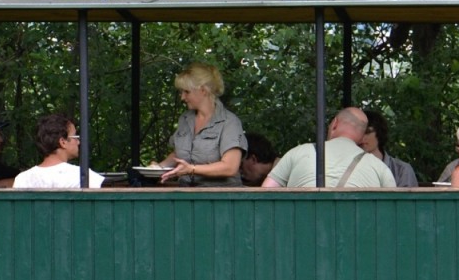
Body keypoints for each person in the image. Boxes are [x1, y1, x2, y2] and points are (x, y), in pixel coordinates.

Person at [157, 62, 247, 186]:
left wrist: (191, 169)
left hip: (220, 199)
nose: (182, 97)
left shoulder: (229, 122)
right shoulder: (185, 118)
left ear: (203, 90)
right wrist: (158, 168)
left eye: (186, 92)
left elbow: (230, 167)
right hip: (186, 195)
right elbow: (178, 154)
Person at [262, 107, 396, 188]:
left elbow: (266, 194)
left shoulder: (298, 152)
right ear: (361, 137)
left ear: (335, 124)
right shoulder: (380, 168)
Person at [14, 113, 105, 188]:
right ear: (63, 142)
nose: (78, 142)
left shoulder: (22, 179)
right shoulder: (83, 177)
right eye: (75, 137)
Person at [360, 110, 418, 187]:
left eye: (367, 132)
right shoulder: (348, 167)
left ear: (379, 132)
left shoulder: (402, 170)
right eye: (359, 133)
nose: (362, 137)